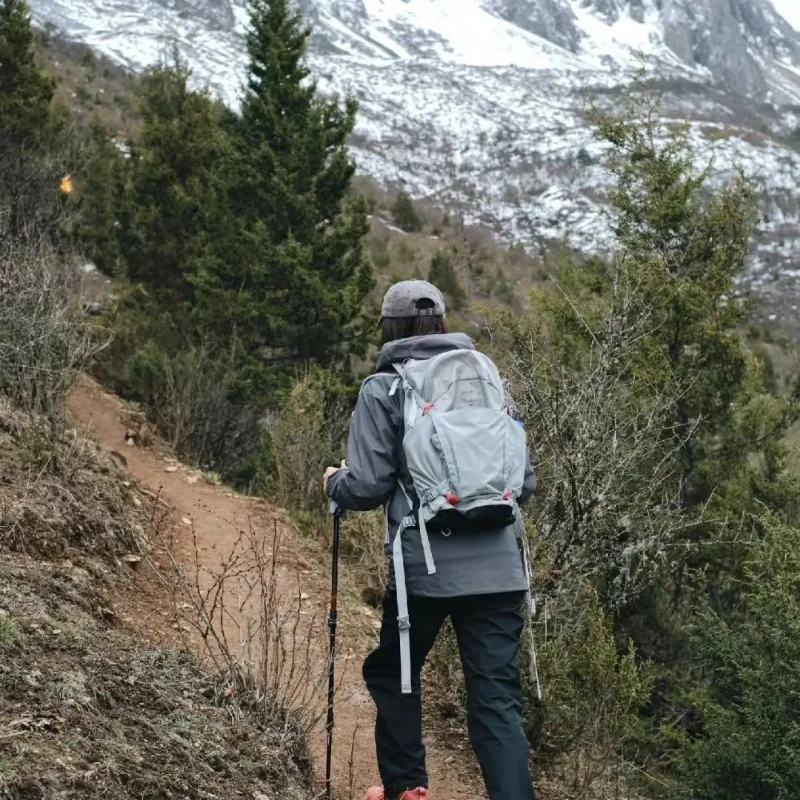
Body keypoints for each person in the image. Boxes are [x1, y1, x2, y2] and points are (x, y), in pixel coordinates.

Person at [324, 280, 537, 800]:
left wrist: (334, 481)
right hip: (501, 571)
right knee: (495, 702)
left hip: (424, 571)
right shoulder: (485, 379)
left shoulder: (385, 388)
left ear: (389, 328)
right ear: (442, 322)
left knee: (394, 672)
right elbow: (523, 484)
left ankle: (407, 788)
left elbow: (368, 486)